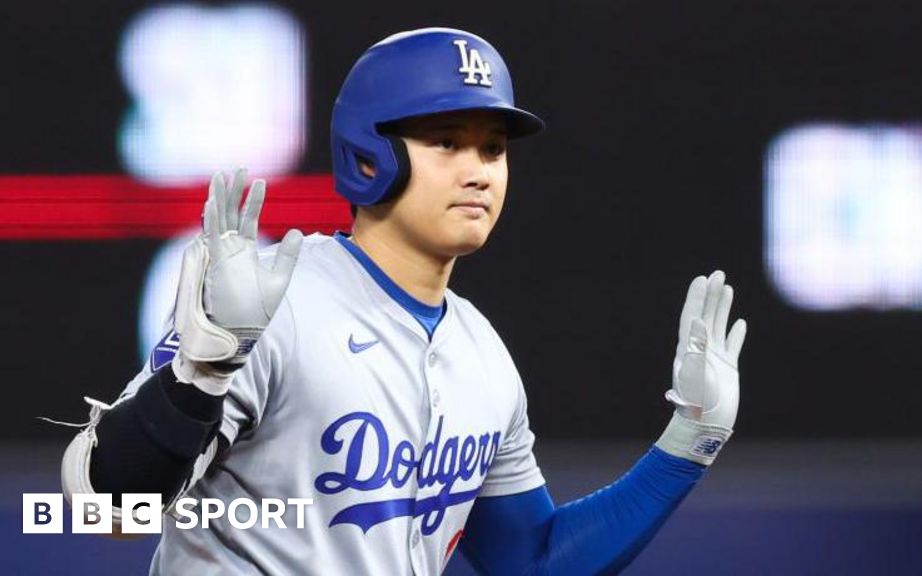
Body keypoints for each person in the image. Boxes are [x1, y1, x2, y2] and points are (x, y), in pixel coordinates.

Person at [61, 27, 747, 575]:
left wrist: (689, 442)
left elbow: (531, 562)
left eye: (493, 147)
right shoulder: (268, 302)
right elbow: (105, 512)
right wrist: (201, 373)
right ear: (369, 155)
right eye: (447, 141)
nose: (478, 169)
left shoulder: (482, 354)